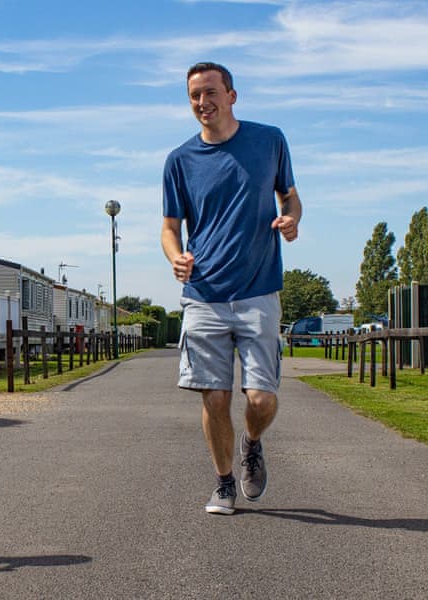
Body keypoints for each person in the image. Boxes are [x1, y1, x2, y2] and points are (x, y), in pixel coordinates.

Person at [161, 62, 302, 515]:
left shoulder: (269, 141)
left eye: (210, 92)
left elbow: (290, 196)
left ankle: (252, 442)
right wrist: (175, 256)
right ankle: (223, 484)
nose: (203, 103)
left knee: (260, 399)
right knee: (214, 396)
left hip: (259, 289)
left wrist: (292, 218)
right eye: (194, 96)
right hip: (204, 294)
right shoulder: (179, 161)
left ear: (232, 95)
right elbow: (169, 227)